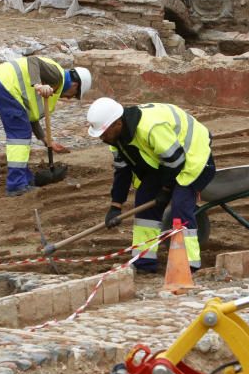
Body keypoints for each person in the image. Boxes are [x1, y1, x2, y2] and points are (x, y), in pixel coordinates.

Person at [87, 97, 215, 273]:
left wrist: (166, 190)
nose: (101, 137)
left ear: (117, 124)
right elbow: (122, 172)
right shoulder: (115, 140)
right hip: (165, 161)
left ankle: (188, 265)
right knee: (144, 201)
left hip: (193, 157)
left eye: (103, 132)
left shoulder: (151, 127)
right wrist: (115, 206)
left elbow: (176, 161)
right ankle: (144, 262)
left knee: (180, 205)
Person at [0, 57, 92, 196]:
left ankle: (25, 179)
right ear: (75, 85)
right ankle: (16, 185)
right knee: (20, 136)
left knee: (21, 130)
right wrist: (37, 85)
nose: (69, 98)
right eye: (75, 95)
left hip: (0, 82)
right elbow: (33, 61)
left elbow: (30, 116)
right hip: (5, 84)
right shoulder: (57, 75)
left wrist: (46, 140)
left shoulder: (54, 86)